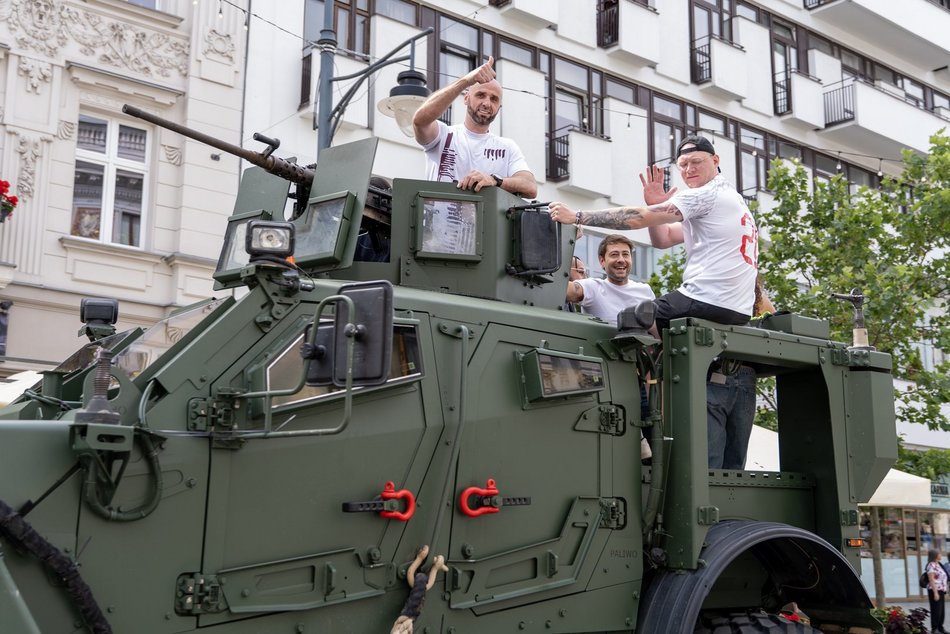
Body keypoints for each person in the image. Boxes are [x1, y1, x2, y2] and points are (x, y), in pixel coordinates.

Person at [549, 134, 757, 336]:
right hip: (739, 309)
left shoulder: (705, 195)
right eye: (683, 164)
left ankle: (649, 372)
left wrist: (577, 216)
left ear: (715, 160)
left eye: (696, 162)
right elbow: (663, 239)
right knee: (663, 329)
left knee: (633, 317)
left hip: (707, 298)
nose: (689, 169)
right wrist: (655, 206)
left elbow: (638, 218)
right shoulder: (734, 200)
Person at [412, 56, 537, 199]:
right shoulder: (444, 135)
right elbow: (419, 121)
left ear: (499, 108)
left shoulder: (507, 147)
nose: (487, 103)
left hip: (485, 221)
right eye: (480, 95)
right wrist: (467, 80)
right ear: (466, 98)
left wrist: (494, 180)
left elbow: (530, 187)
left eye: (494, 99)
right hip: (438, 219)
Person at [565, 234, 655, 323]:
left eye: (625, 254)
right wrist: (567, 239)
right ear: (602, 261)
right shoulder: (593, 287)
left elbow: (657, 329)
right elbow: (560, 289)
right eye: (614, 254)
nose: (621, 260)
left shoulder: (646, 291)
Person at [926, 549, 947, 633]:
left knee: (941, 611)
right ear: (935, 555)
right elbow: (931, 580)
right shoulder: (931, 565)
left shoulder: (939, 564)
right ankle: (934, 629)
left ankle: (940, 627)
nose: (941, 555)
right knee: (936, 610)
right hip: (934, 590)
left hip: (941, 590)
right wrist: (935, 593)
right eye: (939, 553)